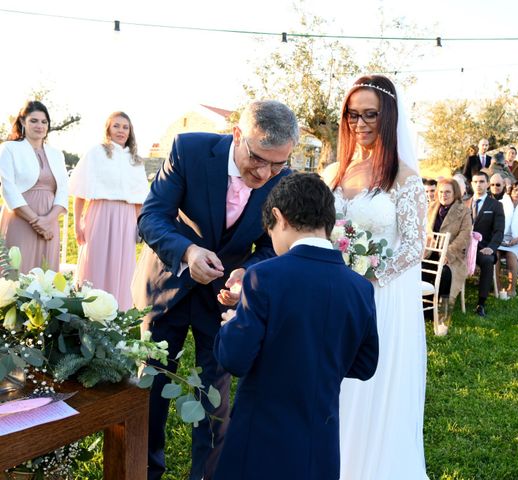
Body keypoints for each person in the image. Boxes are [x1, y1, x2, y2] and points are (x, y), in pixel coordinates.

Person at [131, 100, 298, 480]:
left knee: (214, 399)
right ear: (237, 135)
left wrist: (247, 273)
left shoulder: (281, 180)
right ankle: (144, 471)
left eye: (277, 164)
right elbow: (152, 216)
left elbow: (274, 246)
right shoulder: (188, 149)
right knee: (151, 387)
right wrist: (187, 252)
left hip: (224, 298)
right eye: (257, 158)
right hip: (166, 285)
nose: (265, 172)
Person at [213, 173, 378, 480]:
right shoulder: (360, 287)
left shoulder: (263, 276)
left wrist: (235, 323)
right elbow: (365, 364)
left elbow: (234, 359)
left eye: (270, 230)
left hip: (261, 441)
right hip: (321, 442)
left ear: (279, 217)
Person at [322, 75, 428, 479]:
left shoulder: (404, 177)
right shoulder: (334, 171)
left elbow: (413, 246)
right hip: (333, 291)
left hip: (380, 295)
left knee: (369, 382)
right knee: (334, 381)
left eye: (370, 115)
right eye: (352, 114)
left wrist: (366, 275)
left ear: (388, 118)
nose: (360, 123)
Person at [69, 112, 149, 309]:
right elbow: (80, 191)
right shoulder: (96, 153)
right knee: (94, 263)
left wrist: (141, 227)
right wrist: (77, 224)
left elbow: (139, 200)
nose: (121, 131)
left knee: (121, 267)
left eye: (125, 127)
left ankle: (117, 313)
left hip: (126, 218)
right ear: (108, 129)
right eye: (116, 126)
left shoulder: (135, 160)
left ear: (130, 131)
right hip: (100, 213)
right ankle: (88, 311)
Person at [0, 100, 68, 273]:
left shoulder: (57, 154)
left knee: (47, 277)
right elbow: (8, 189)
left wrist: (48, 221)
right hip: (21, 219)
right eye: (34, 121)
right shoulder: (9, 149)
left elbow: (63, 191)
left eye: (44, 122)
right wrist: (37, 221)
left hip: (50, 221)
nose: (40, 126)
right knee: (17, 274)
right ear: (23, 122)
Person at [424, 178, 472, 335]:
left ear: (455, 193)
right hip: (430, 253)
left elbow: (465, 236)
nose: (444, 195)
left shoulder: (463, 210)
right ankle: (425, 311)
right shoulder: (431, 207)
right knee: (420, 270)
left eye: (448, 192)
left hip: (452, 257)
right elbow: (425, 231)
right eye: (441, 191)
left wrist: (447, 253)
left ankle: (444, 317)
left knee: (445, 274)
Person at [469, 171, 505, 316]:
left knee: (488, 261)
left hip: (483, 248)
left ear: (487, 184)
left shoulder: (495, 205)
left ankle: (481, 303)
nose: (478, 185)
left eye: (482, 181)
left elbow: (499, 231)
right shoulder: (464, 203)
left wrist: (491, 248)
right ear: (471, 184)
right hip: (464, 248)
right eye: (475, 182)